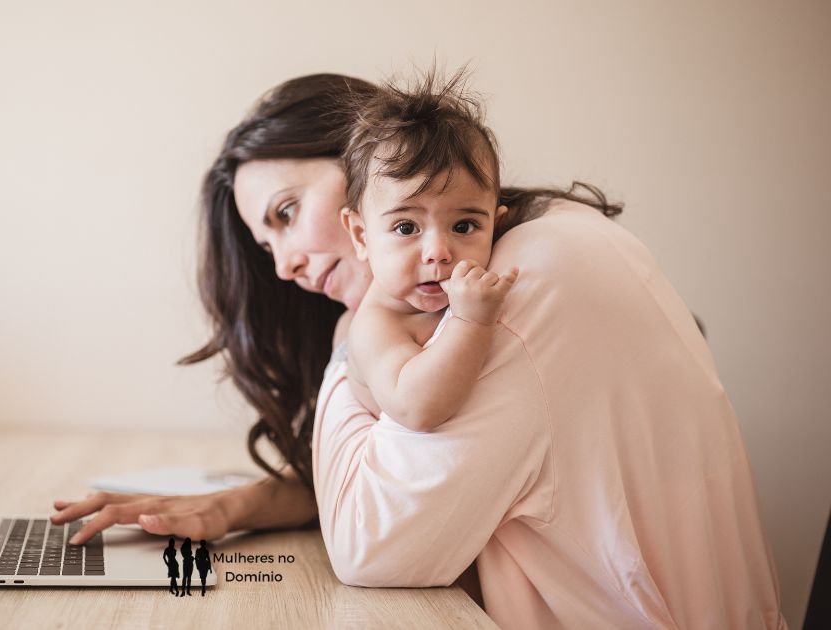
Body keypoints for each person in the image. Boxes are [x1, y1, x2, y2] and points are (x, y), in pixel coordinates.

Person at [50, 72, 786, 629]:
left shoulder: (514, 287)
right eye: (265, 242)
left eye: (285, 214)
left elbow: (376, 547)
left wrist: (353, 333)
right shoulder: (500, 268)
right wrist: (235, 507)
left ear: (366, 160)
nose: (283, 267)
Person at [339, 72, 520, 430]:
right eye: (406, 228)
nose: (437, 252)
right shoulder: (377, 324)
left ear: (495, 228)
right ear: (361, 236)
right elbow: (415, 409)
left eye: (464, 226)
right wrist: (471, 321)